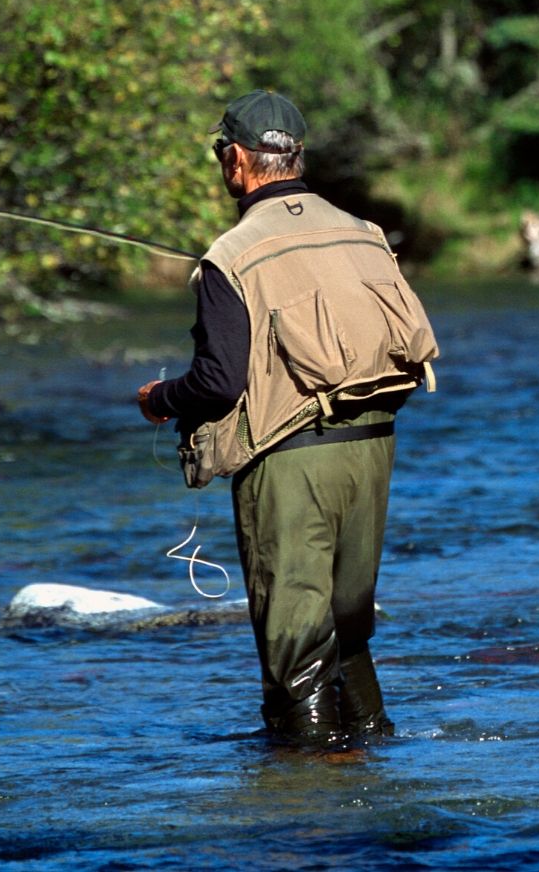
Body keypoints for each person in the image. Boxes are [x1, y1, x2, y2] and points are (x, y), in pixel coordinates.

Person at [136, 90, 439, 747]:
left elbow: (218, 384)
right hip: (374, 448)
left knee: (295, 640)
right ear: (296, 156)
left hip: (290, 460)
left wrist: (160, 398)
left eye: (223, 152)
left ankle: (304, 798)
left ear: (237, 160)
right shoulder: (365, 234)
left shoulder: (231, 254)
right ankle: (367, 764)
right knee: (349, 629)